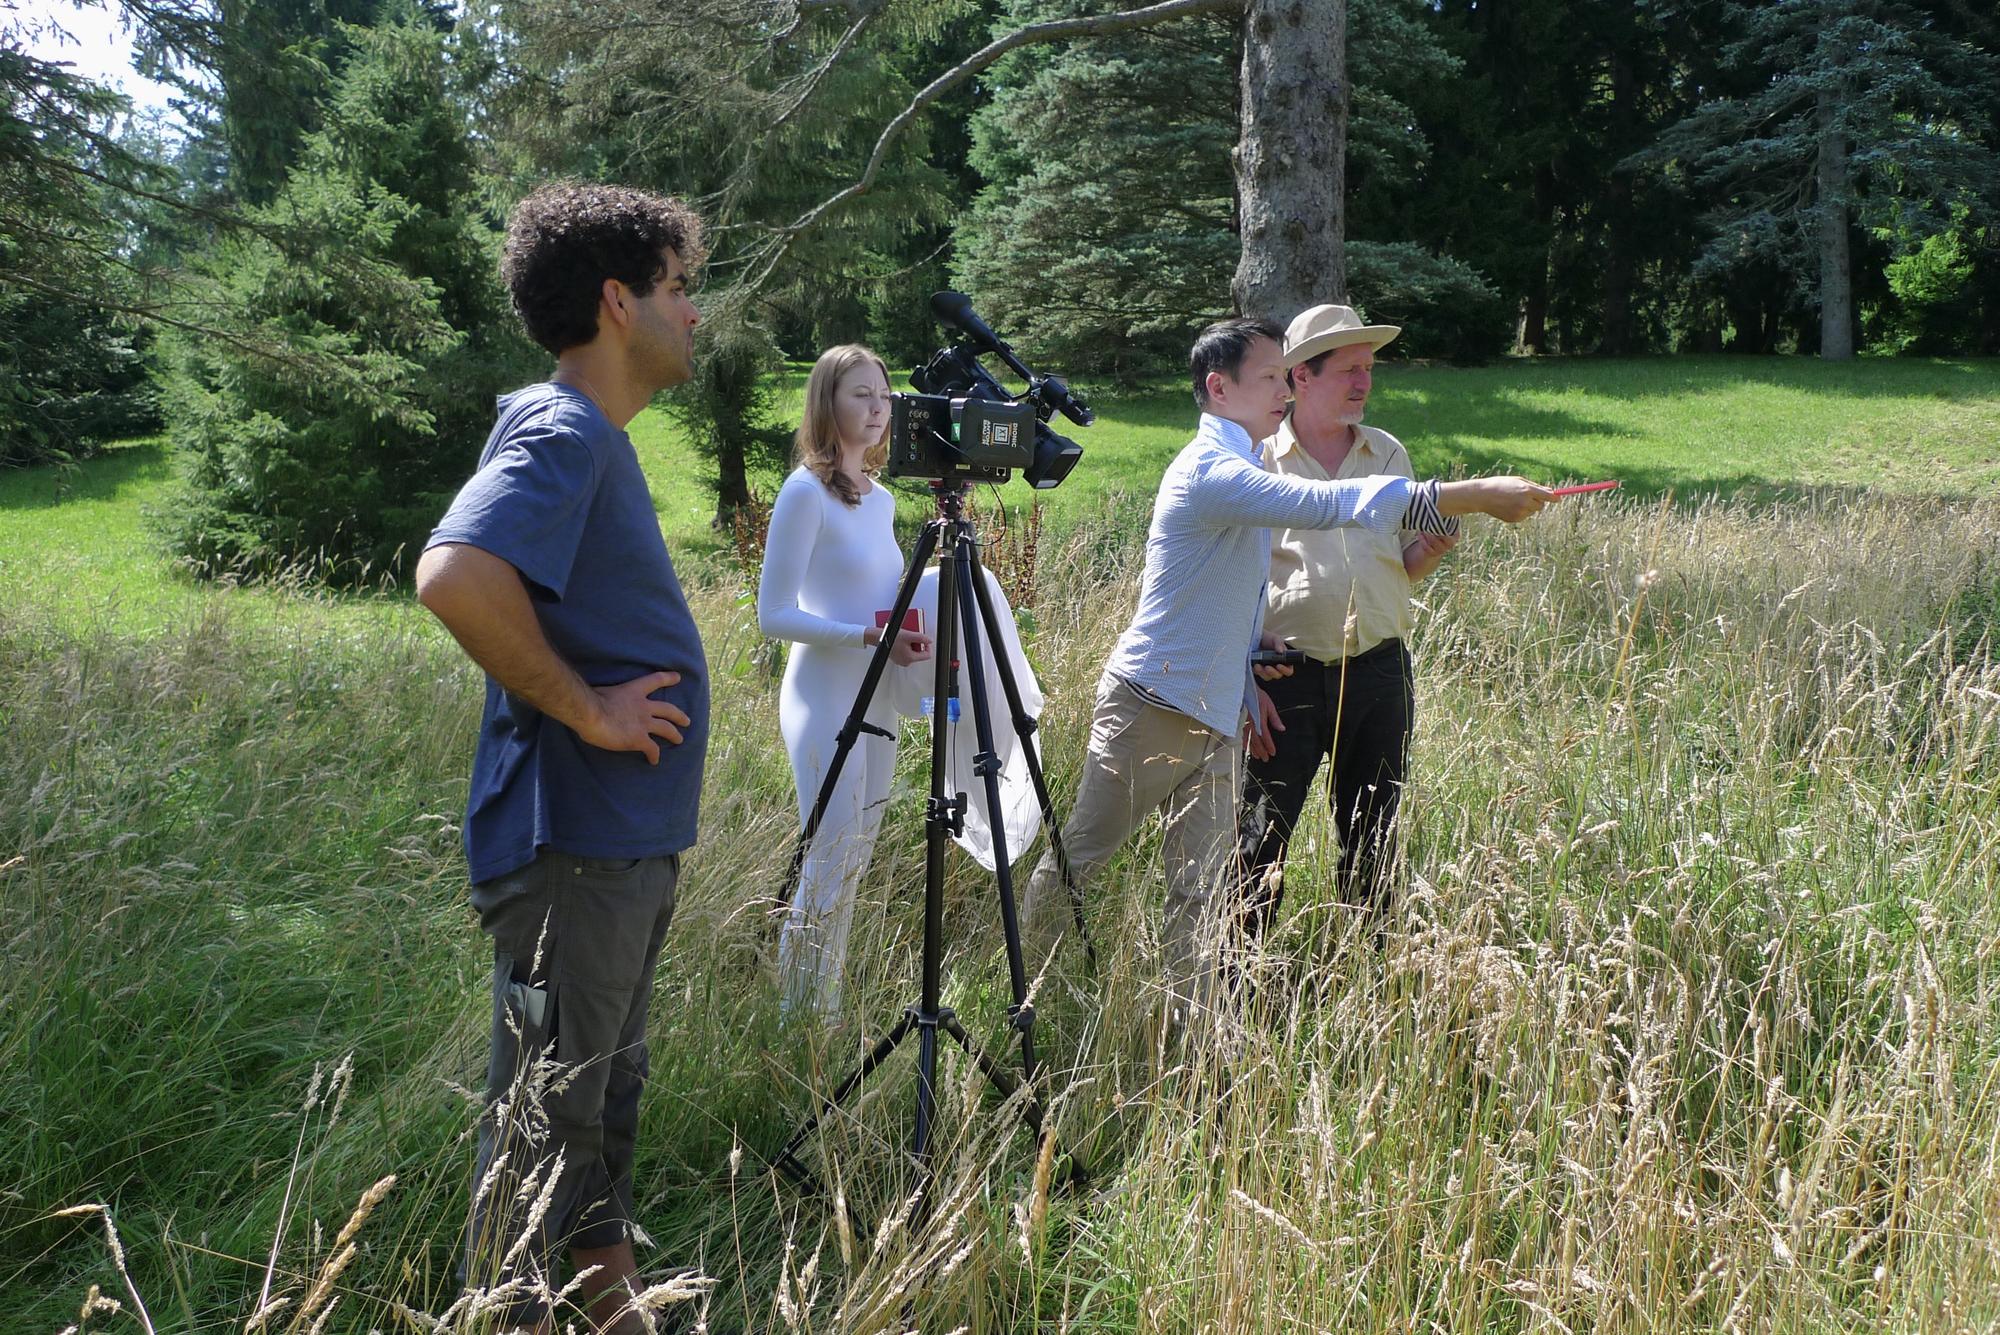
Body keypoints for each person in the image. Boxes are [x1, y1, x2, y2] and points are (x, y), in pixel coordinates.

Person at [1017, 318, 1551, 1033]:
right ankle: (1027, 996)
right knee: (1082, 853)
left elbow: (1238, 603)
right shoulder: (1215, 471)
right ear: (1219, 388)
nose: (1283, 388)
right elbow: (1331, 506)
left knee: (1201, 892)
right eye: (1271, 377)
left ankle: (1199, 1036)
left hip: (1215, 713)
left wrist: (1242, 686)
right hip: (1152, 701)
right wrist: (1478, 491)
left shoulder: (1253, 467)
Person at [415, 182, 706, 1333]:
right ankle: (511, 1316)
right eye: (680, 290)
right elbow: (454, 574)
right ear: (616, 302)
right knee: (544, 1119)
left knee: (595, 1103)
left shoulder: (587, 437)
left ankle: (606, 1305)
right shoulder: (565, 429)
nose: (696, 312)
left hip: (613, 848)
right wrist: (588, 710)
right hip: (573, 846)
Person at [1238, 303, 1451, 933]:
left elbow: (1396, 569)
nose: (1364, 383)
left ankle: (1372, 974)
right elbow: (1229, 580)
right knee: (1257, 845)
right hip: (1284, 680)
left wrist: (1431, 550)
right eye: (1348, 370)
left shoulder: (1387, 454)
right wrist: (1244, 666)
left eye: (1369, 369)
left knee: (1374, 835)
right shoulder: (1256, 461)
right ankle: (1235, 988)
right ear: (1301, 377)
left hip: (1379, 673)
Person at [757, 345, 933, 1019]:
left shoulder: (882, 499)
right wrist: (863, 636)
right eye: (860, 395)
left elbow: (880, 600)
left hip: (878, 696)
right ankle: (794, 1019)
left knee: (855, 859)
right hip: (824, 697)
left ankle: (822, 1011)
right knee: (827, 858)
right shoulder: (805, 493)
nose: (877, 409)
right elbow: (775, 614)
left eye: (883, 397)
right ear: (826, 403)